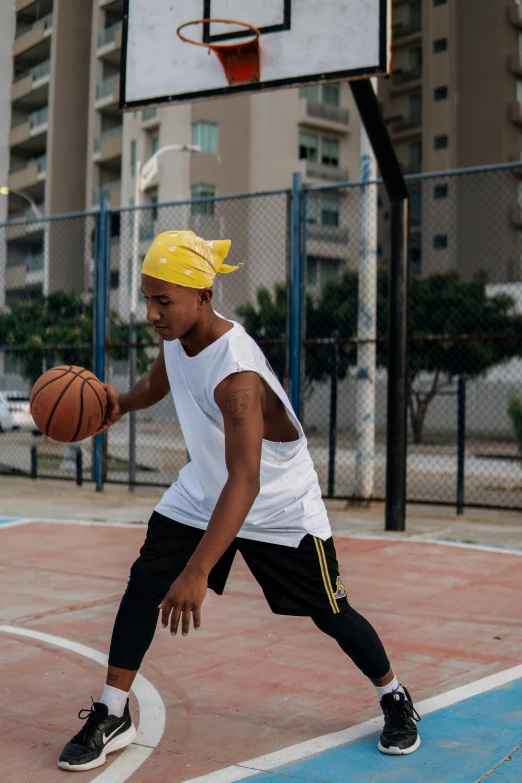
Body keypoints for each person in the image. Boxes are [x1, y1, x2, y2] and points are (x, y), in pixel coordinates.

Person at [58, 231, 420, 772]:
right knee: (143, 586)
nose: (152, 313)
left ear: (203, 295)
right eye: (148, 298)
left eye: (164, 300)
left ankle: (394, 696)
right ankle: (113, 712)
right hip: (206, 489)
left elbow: (245, 482)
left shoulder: (238, 376)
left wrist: (199, 569)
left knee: (331, 611)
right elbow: (162, 380)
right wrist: (121, 404)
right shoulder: (178, 335)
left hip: (276, 503)